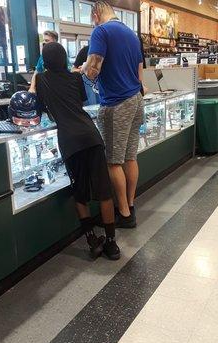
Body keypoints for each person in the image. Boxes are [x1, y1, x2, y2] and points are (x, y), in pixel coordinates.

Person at [36, 42, 120, 260]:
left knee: (80, 193)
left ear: (44, 61)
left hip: (69, 142)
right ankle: (111, 244)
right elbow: (81, 101)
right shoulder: (75, 78)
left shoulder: (41, 79)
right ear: (64, 58)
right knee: (104, 192)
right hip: (91, 137)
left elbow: (39, 107)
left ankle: (92, 240)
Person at [81, 1, 144, 229]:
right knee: (130, 157)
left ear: (96, 14)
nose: (93, 23)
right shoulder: (131, 34)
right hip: (136, 100)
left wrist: (82, 73)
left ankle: (124, 215)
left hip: (116, 104)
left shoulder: (101, 31)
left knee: (113, 162)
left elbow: (93, 69)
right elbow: (139, 73)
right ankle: (130, 204)